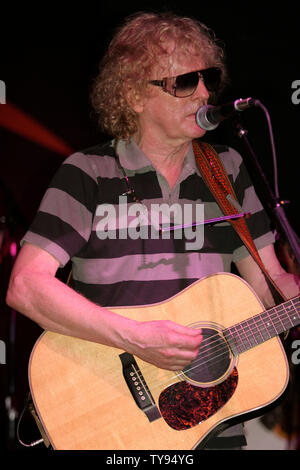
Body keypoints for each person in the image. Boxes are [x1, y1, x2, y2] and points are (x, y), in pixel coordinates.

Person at [6, 11, 300, 450]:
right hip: (109, 413)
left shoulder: (229, 171)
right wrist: (139, 339)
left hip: (216, 425)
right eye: (184, 82)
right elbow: (26, 287)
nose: (204, 93)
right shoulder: (87, 173)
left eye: (209, 78)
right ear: (134, 96)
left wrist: (289, 300)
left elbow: (268, 283)